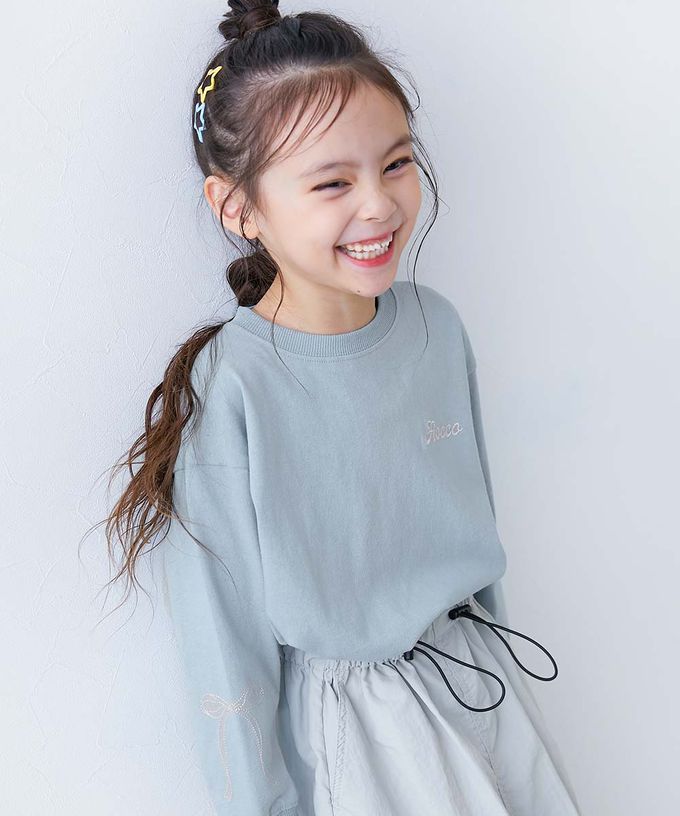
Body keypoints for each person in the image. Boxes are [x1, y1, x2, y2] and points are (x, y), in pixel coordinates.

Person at [101, 2, 583, 813]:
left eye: (395, 164)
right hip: (362, 743)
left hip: (484, 690)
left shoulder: (436, 327)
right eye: (332, 182)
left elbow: (476, 534)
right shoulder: (235, 385)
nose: (380, 205)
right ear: (237, 206)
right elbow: (224, 644)